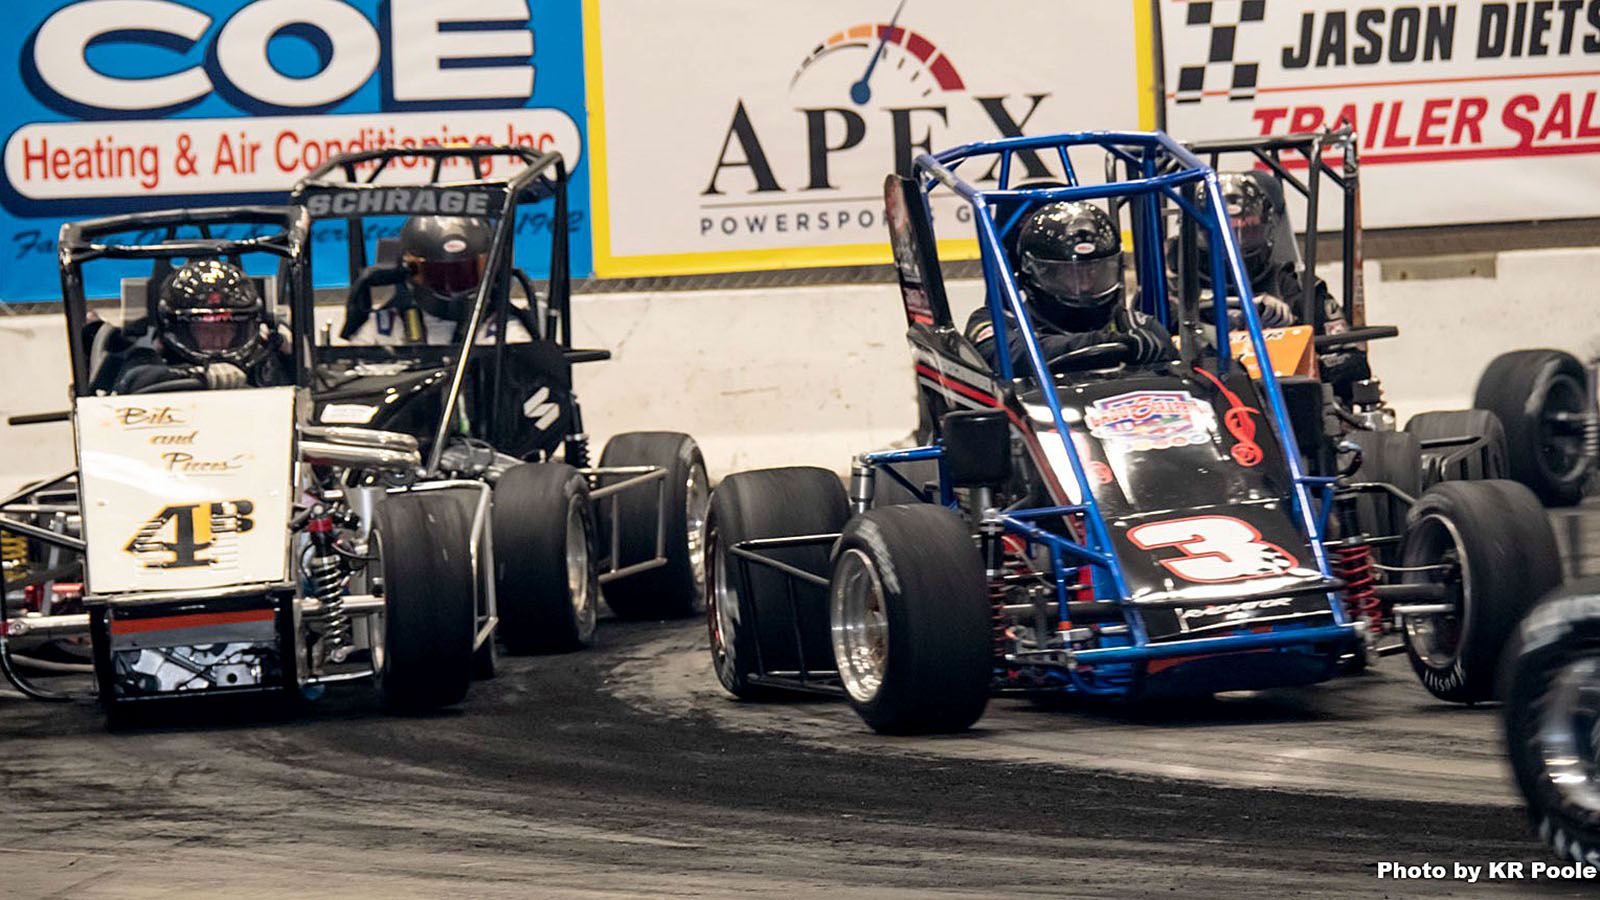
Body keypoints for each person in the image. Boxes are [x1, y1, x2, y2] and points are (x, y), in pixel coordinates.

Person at [966, 201, 1175, 374]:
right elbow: (1007, 357)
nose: (1085, 284)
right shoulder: (996, 322)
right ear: (1038, 272)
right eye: (1071, 273)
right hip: (1039, 421)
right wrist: (1104, 344)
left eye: (1095, 271)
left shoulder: (1137, 327)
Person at [340, 216, 539, 345]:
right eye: (439, 274)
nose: (452, 286)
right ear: (410, 271)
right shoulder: (384, 328)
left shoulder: (503, 332)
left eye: (465, 273)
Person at [98, 259, 288, 394]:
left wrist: (291, 353)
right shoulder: (146, 360)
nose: (217, 340)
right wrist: (199, 376)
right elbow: (132, 381)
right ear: (177, 330)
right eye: (206, 329)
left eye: (226, 329)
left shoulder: (265, 364)